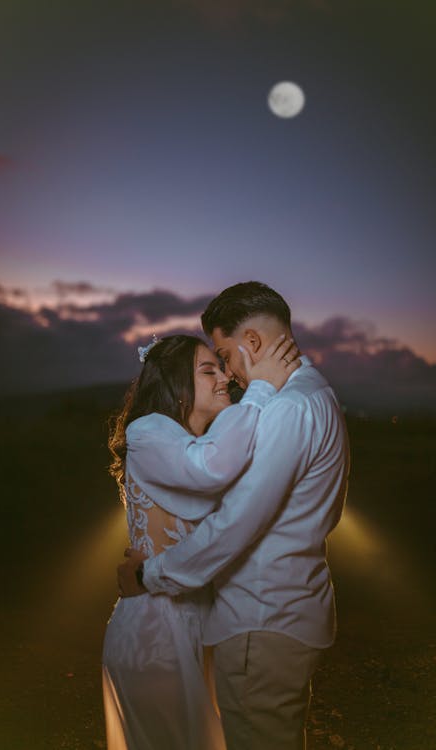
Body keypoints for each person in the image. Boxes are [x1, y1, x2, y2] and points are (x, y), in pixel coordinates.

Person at [119, 281, 350, 750]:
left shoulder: (288, 408)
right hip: (282, 610)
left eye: (223, 355)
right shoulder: (317, 397)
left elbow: (237, 522)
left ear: (254, 345)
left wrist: (151, 574)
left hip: (262, 618)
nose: (227, 372)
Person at [102, 332, 299, 750]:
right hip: (153, 631)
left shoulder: (208, 442)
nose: (224, 378)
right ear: (175, 384)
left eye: (222, 368)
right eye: (208, 370)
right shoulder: (147, 430)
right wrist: (261, 389)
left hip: (199, 623)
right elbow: (210, 467)